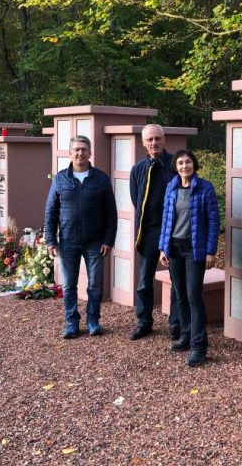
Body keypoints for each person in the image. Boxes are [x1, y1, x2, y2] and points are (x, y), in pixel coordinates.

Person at [44, 135, 117, 339]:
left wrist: (108, 240)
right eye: (76, 149)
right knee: (68, 286)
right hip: (68, 240)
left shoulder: (101, 179)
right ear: (70, 153)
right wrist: (50, 239)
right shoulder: (60, 179)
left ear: (90, 152)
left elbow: (111, 212)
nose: (80, 153)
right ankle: (71, 323)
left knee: (95, 285)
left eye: (84, 149)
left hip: (95, 241)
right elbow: (51, 210)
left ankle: (93, 320)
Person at [159, 150, 220, 367]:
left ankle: (199, 346)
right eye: (181, 163)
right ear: (176, 167)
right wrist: (162, 247)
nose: (185, 166)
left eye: (188, 162)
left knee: (194, 295)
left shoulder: (205, 188)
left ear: (194, 165)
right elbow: (166, 218)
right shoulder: (171, 187)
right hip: (174, 247)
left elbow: (213, 221)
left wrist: (210, 250)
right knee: (180, 294)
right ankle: (185, 336)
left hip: (195, 249)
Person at [129, 124, 180, 340]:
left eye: (157, 138)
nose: (154, 143)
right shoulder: (138, 168)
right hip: (148, 231)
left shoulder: (175, 164)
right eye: (149, 139)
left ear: (164, 139)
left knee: (176, 279)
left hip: (174, 230)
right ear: (143, 143)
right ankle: (144, 321)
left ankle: (176, 324)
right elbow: (136, 198)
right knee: (144, 280)